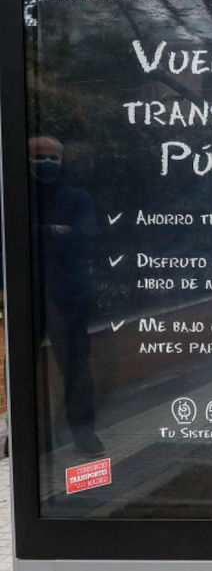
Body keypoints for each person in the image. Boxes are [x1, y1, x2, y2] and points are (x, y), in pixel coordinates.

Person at [30, 136, 103, 456]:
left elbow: (84, 238)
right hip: (31, 293)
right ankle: (34, 435)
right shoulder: (20, 196)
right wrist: (53, 230)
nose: (46, 162)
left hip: (69, 295)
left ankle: (83, 433)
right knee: (24, 367)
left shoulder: (77, 198)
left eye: (52, 157)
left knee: (75, 365)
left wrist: (37, 232)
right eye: (38, 157)